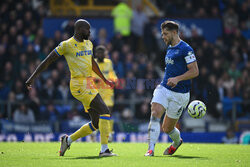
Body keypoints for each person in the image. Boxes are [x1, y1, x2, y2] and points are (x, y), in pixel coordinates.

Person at [25, 19, 117, 157]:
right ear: (79, 30)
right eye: (87, 29)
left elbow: (92, 62)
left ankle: (68, 140)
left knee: (96, 123)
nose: (90, 32)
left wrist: (104, 80)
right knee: (105, 110)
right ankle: (104, 150)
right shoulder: (66, 45)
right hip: (78, 84)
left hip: (88, 83)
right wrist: (32, 77)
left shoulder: (89, 43)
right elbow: (47, 60)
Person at [144, 21, 199, 156]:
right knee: (155, 112)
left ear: (175, 32)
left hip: (180, 94)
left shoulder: (186, 49)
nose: (163, 37)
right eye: (162, 34)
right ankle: (150, 149)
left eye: (165, 34)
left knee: (167, 128)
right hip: (164, 88)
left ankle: (176, 142)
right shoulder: (169, 48)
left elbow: (195, 71)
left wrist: (177, 79)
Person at [92, 45, 118, 142]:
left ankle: (109, 133)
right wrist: (95, 80)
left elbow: (112, 74)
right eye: (99, 53)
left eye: (102, 53)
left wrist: (115, 80)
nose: (101, 55)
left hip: (108, 92)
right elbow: (89, 76)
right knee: (98, 114)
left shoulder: (109, 62)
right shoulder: (93, 63)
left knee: (108, 112)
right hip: (97, 92)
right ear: (96, 54)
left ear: (105, 53)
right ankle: (94, 132)